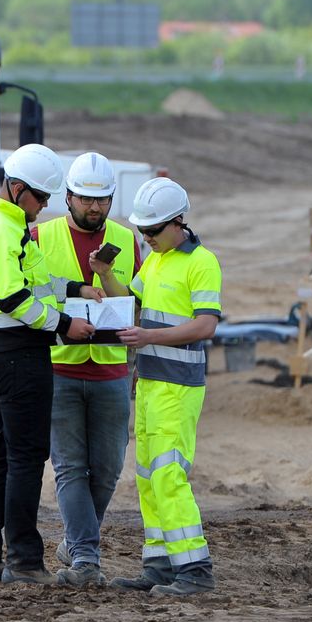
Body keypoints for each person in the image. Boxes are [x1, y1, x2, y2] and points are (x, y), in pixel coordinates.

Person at [0, 143, 98, 585]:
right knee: (25, 459)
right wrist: (64, 326)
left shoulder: (7, 223)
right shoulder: (1, 229)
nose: (44, 206)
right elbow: (14, 298)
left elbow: (36, 280)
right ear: (17, 188)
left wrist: (76, 288)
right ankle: (23, 560)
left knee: (3, 457)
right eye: (40, 197)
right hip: (15, 353)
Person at [90, 177, 220, 597]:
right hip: (148, 385)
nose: (146, 238)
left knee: (168, 476)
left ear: (177, 222)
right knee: (148, 477)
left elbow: (205, 325)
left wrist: (148, 338)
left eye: (152, 231)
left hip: (179, 387)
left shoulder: (202, 262)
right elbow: (132, 303)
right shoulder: (158, 260)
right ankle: (160, 565)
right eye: (142, 232)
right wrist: (106, 275)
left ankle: (195, 569)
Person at [32, 152, 142, 587]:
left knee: (110, 469)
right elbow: (33, 301)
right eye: (86, 199)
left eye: (102, 200)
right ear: (69, 196)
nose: (95, 208)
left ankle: (77, 540)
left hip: (112, 370)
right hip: (60, 368)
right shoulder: (40, 237)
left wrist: (107, 274)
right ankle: (86, 559)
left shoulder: (125, 239)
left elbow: (132, 302)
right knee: (71, 467)